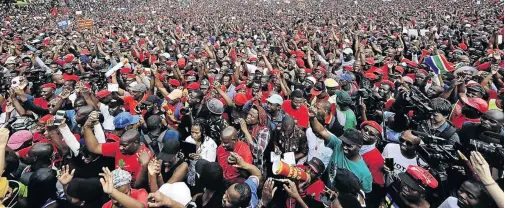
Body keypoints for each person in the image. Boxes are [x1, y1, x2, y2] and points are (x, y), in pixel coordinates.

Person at [309, 106, 372, 193]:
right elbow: (321, 131)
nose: (344, 147)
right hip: (323, 190)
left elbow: (364, 194)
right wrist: (313, 118)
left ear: (359, 147)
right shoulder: (338, 144)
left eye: (349, 146)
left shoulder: (364, 173)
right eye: (344, 143)